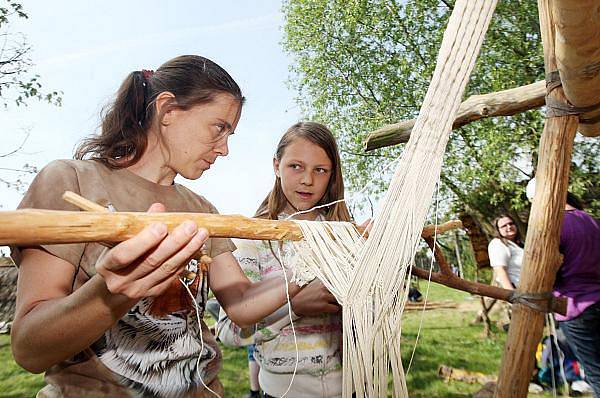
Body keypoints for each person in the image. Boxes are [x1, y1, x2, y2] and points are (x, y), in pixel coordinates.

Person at [10, 55, 304, 398]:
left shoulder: (201, 209)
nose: (224, 149)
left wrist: (310, 268)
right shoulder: (72, 181)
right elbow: (29, 349)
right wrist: (111, 293)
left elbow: (240, 303)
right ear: (168, 110)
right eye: (219, 127)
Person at [217, 122, 354, 398]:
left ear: (332, 175)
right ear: (276, 165)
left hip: (353, 388)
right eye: (296, 166)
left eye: (320, 170)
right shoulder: (251, 238)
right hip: (283, 392)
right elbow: (229, 332)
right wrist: (295, 308)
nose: (307, 180)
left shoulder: (345, 236)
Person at [553, 192, 600, 397]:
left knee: (596, 372)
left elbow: (548, 270)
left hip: (575, 305)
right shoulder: (592, 221)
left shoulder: (556, 225)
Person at [487, 215, 524, 290]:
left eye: (511, 223)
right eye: (504, 226)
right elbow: (500, 270)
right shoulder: (498, 244)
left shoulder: (520, 244)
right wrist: (512, 295)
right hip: (515, 290)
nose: (509, 227)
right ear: (498, 230)